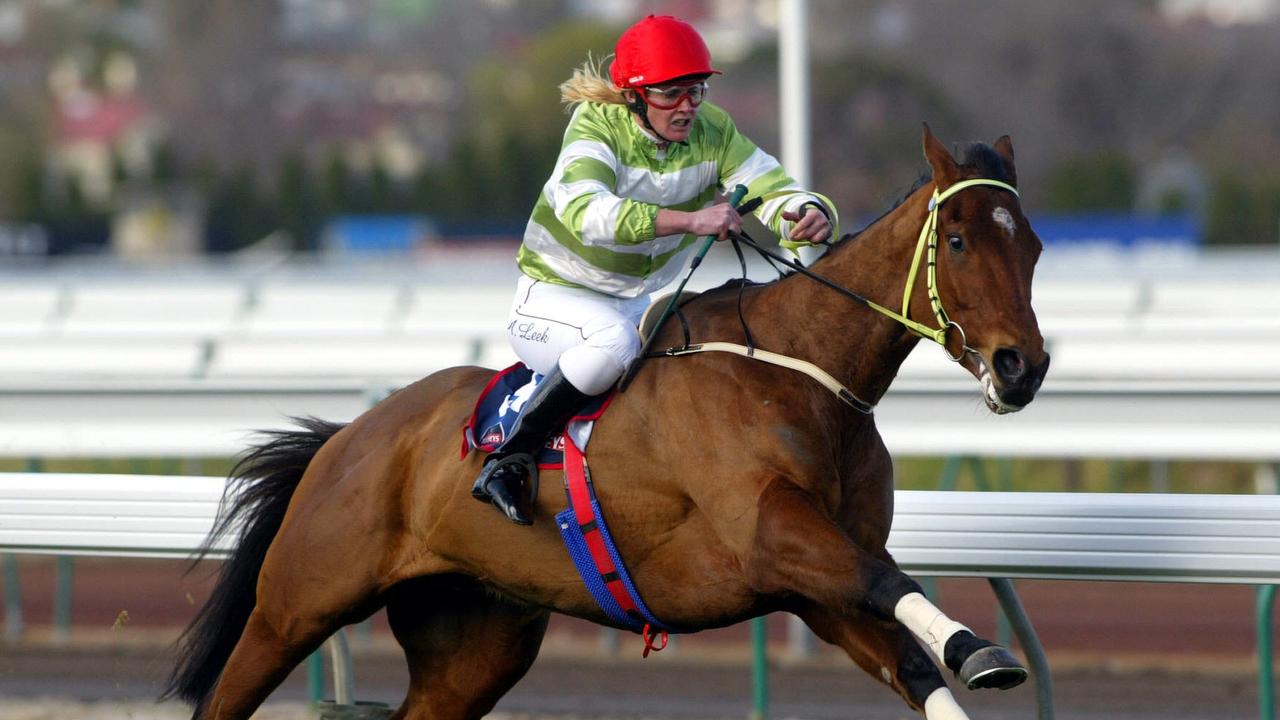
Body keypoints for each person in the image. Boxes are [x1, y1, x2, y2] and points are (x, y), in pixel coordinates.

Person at [472, 14, 837, 525]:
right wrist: (692, 218)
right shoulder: (594, 125)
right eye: (672, 94)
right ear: (634, 95)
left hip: (641, 302)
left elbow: (773, 186)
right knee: (615, 345)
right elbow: (586, 213)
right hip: (554, 297)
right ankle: (507, 460)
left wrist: (805, 213)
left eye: (697, 90)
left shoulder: (715, 131)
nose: (688, 106)